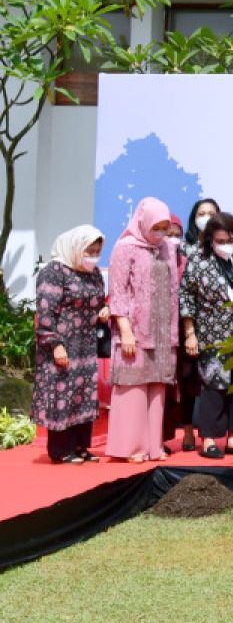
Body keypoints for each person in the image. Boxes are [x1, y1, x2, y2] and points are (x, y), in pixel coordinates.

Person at [107, 197, 179, 462]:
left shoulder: (168, 249)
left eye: (165, 227)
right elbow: (118, 291)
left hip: (163, 330)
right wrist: (125, 329)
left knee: (157, 387)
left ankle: (153, 446)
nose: (160, 233)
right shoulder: (125, 247)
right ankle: (130, 448)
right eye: (156, 227)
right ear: (142, 222)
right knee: (133, 386)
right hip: (135, 329)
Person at [179, 212, 233, 459]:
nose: (226, 244)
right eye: (221, 240)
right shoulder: (199, 260)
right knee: (213, 385)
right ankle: (209, 439)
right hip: (212, 332)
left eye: (231, 239)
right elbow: (186, 297)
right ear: (210, 239)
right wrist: (190, 334)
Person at [33, 226, 108, 463]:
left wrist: (104, 309)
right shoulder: (54, 271)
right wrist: (54, 344)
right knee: (61, 394)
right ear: (75, 247)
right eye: (89, 250)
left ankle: (80, 447)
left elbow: (97, 302)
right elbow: (45, 311)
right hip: (61, 344)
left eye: (97, 251)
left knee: (83, 395)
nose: (93, 256)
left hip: (86, 345)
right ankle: (60, 450)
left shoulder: (93, 272)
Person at [161, 214, 200, 453]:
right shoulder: (152, 259)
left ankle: (187, 432)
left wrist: (189, 331)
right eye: (168, 235)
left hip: (184, 330)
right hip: (158, 334)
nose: (173, 240)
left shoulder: (185, 262)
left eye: (178, 235)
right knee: (163, 387)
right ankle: (159, 437)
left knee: (188, 384)